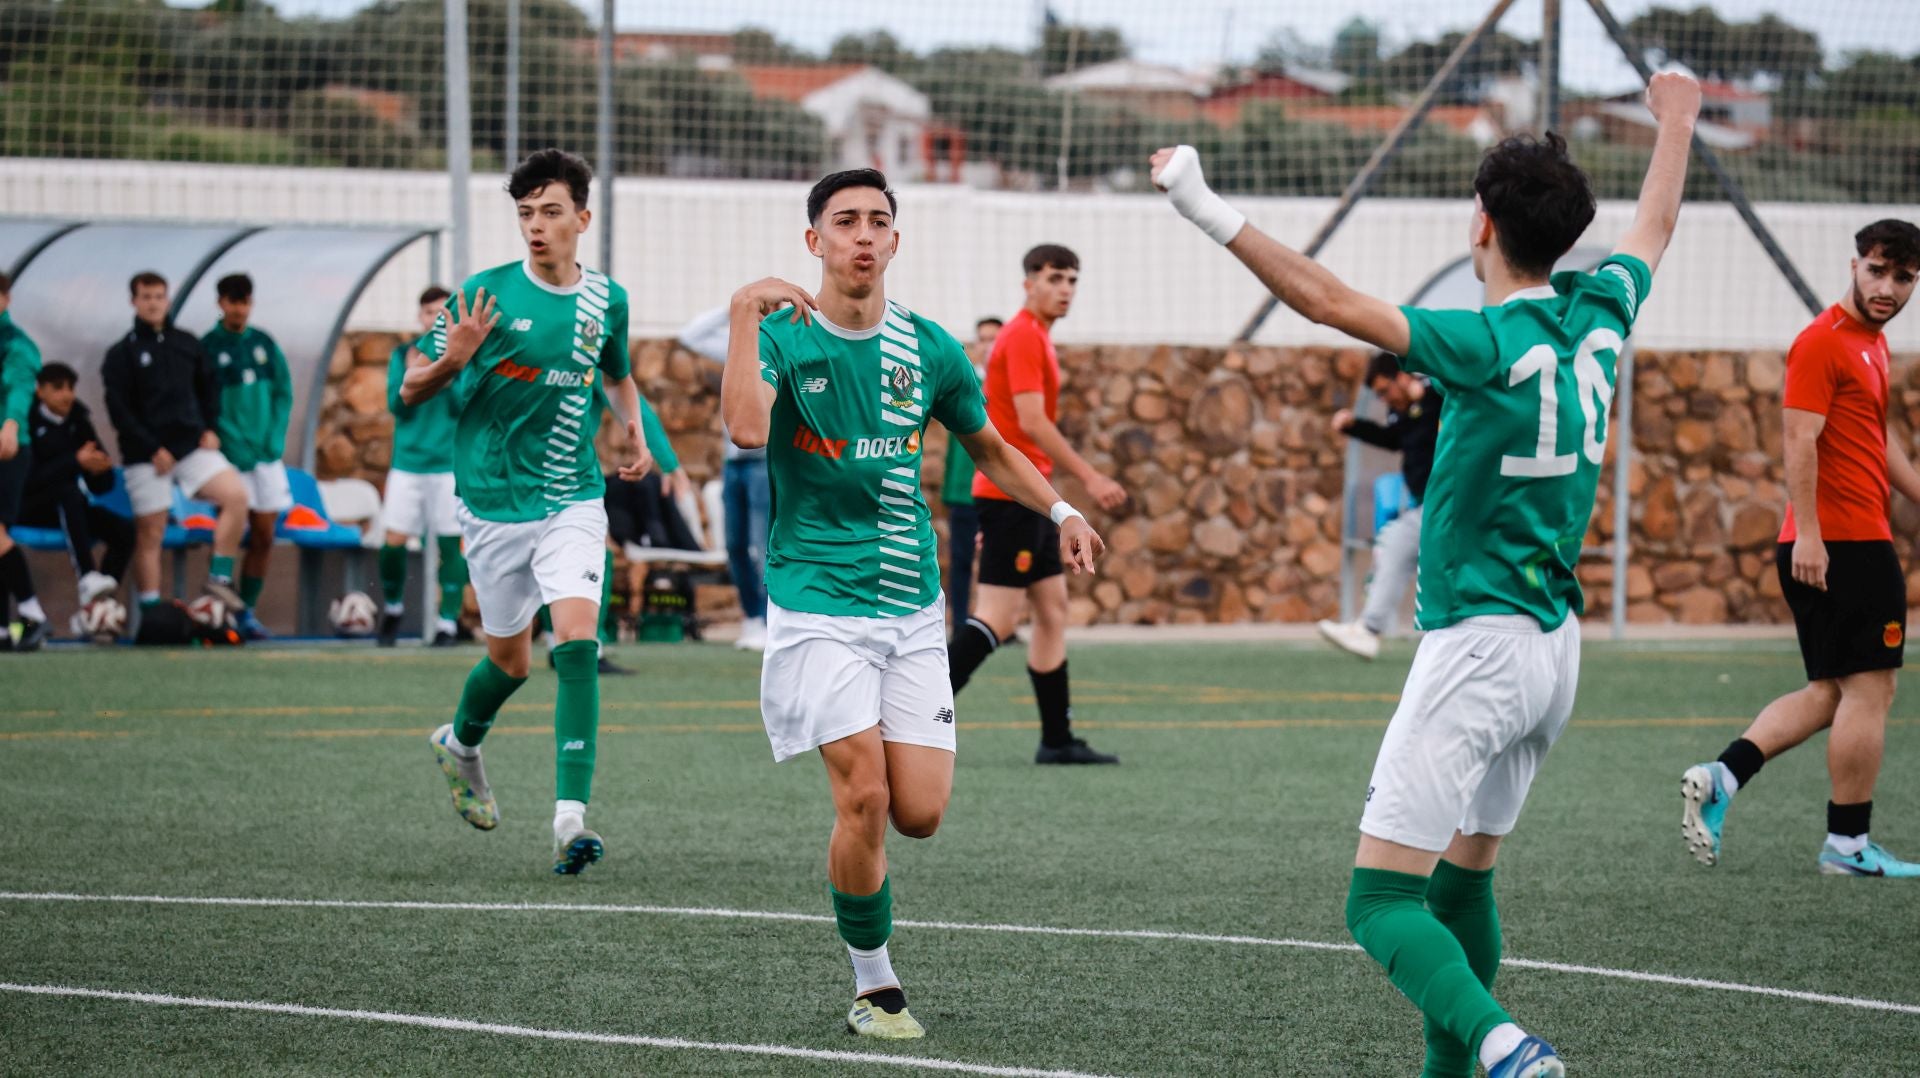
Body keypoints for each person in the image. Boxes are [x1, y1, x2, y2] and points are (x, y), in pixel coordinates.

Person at [1153, 69, 1699, 1078]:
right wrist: (1677, 122)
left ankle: (1503, 1046)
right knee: (1458, 886)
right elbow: (1655, 226)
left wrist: (1199, 201)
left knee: (1378, 903)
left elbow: (1323, 299)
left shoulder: (1484, 338)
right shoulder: (1601, 312)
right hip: (1552, 651)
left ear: (1480, 224)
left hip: (1479, 645)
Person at [723, 169, 1104, 1040]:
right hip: (816, 600)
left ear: (896, 241)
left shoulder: (928, 347)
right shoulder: (782, 336)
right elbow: (747, 429)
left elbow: (993, 446)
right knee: (862, 796)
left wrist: (1063, 507)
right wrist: (744, 314)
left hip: (909, 607)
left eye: (879, 222)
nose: (864, 235)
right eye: (846, 221)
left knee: (919, 813)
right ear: (814, 241)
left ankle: (870, 938)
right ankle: (876, 985)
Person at [404, 148, 654, 876]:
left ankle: (568, 819)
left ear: (582, 216)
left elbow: (616, 372)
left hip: (572, 496)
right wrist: (454, 360)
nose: (536, 227)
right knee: (508, 661)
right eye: (524, 214)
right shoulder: (482, 296)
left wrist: (632, 428)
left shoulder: (608, 299)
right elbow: (410, 392)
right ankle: (460, 743)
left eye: (550, 212)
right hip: (491, 503)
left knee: (576, 642)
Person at [1681, 218, 1920, 879]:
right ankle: (1847, 846)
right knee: (1872, 689)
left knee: (1830, 691)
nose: (1888, 286)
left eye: (1904, 277)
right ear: (1854, 265)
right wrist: (1811, 533)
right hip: (1842, 542)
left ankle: (1723, 776)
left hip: (1844, 539)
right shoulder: (1821, 343)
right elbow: (1797, 440)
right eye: (1878, 270)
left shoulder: (1870, 345)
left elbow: (1877, 439)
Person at [946, 245, 1127, 765]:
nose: (1065, 288)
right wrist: (1089, 477)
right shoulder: (1023, 335)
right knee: (998, 617)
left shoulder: (1037, 336)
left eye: (1072, 279)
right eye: (1054, 278)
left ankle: (1056, 739)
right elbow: (1031, 423)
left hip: (1035, 500)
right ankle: (917, 715)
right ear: (1029, 283)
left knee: (1052, 610)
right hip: (1013, 497)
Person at [101, 271, 251, 618]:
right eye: (146, 297)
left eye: (159, 296)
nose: (153, 303)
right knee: (151, 531)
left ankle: (219, 578)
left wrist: (210, 427)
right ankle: (152, 613)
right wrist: (153, 447)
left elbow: (208, 389)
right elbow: (119, 410)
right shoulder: (121, 354)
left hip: (190, 447)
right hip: (147, 456)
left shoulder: (187, 343)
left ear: (168, 300)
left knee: (236, 496)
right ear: (134, 302)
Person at [1318, 352, 1442, 660]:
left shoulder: (1438, 397)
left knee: (1397, 542)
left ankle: (1370, 629)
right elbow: (1392, 439)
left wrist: (1423, 398)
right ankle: (1371, 629)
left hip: (1448, 504)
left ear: (1403, 378)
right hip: (1430, 505)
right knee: (1395, 545)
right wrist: (1353, 426)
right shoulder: (1401, 411)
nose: (1386, 399)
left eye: (1386, 390)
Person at [202, 273, 293, 639]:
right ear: (220, 303)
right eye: (232, 301)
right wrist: (232, 441)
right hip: (230, 459)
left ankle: (247, 613)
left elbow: (283, 394)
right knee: (230, 532)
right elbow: (207, 404)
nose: (239, 308)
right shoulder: (208, 347)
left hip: (265, 457)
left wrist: (274, 437)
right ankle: (218, 611)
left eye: (244, 301)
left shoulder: (264, 344)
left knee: (264, 535)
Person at [378, 285, 469, 648]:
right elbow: (396, 405)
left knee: (450, 544)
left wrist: (445, 370)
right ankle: (394, 607)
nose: (435, 319)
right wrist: (416, 372)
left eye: (442, 314)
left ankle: (447, 622)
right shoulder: (403, 354)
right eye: (430, 313)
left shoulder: (463, 356)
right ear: (420, 316)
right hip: (408, 464)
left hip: (447, 465)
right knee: (394, 542)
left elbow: (463, 404)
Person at [674, 305, 770, 651]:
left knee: (763, 546)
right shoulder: (737, 351)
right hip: (735, 465)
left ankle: (771, 618)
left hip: (765, 463)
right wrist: (734, 308)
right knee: (735, 545)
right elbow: (691, 335)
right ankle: (752, 619)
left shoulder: (783, 347)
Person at [22, 363, 133, 603]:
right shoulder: (25, 422)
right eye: (58, 388)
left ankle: (101, 604)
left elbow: (101, 487)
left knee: (125, 531)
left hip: (71, 507)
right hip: (30, 508)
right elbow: (29, 481)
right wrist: (75, 461)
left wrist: (100, 471)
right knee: (68, 493)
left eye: (71, 388)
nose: (67, 395)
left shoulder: (79, 420)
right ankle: (87, 576)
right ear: (40, 391)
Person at [938, 316, 998, 631]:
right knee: (961, 560)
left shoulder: (1010, 386)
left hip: (999, 487)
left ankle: (1000, 622)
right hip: (965, 488)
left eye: (995, 339)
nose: (989, 345)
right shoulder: (964, 380)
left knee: (1000, 560)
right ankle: (960, 623)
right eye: (984, 339)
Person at [0, 270, 48, 650]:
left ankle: (32, 612)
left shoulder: (17, 345)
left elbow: (19, 387)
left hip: (8, 449)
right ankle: (3, 627)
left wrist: (11, 426)